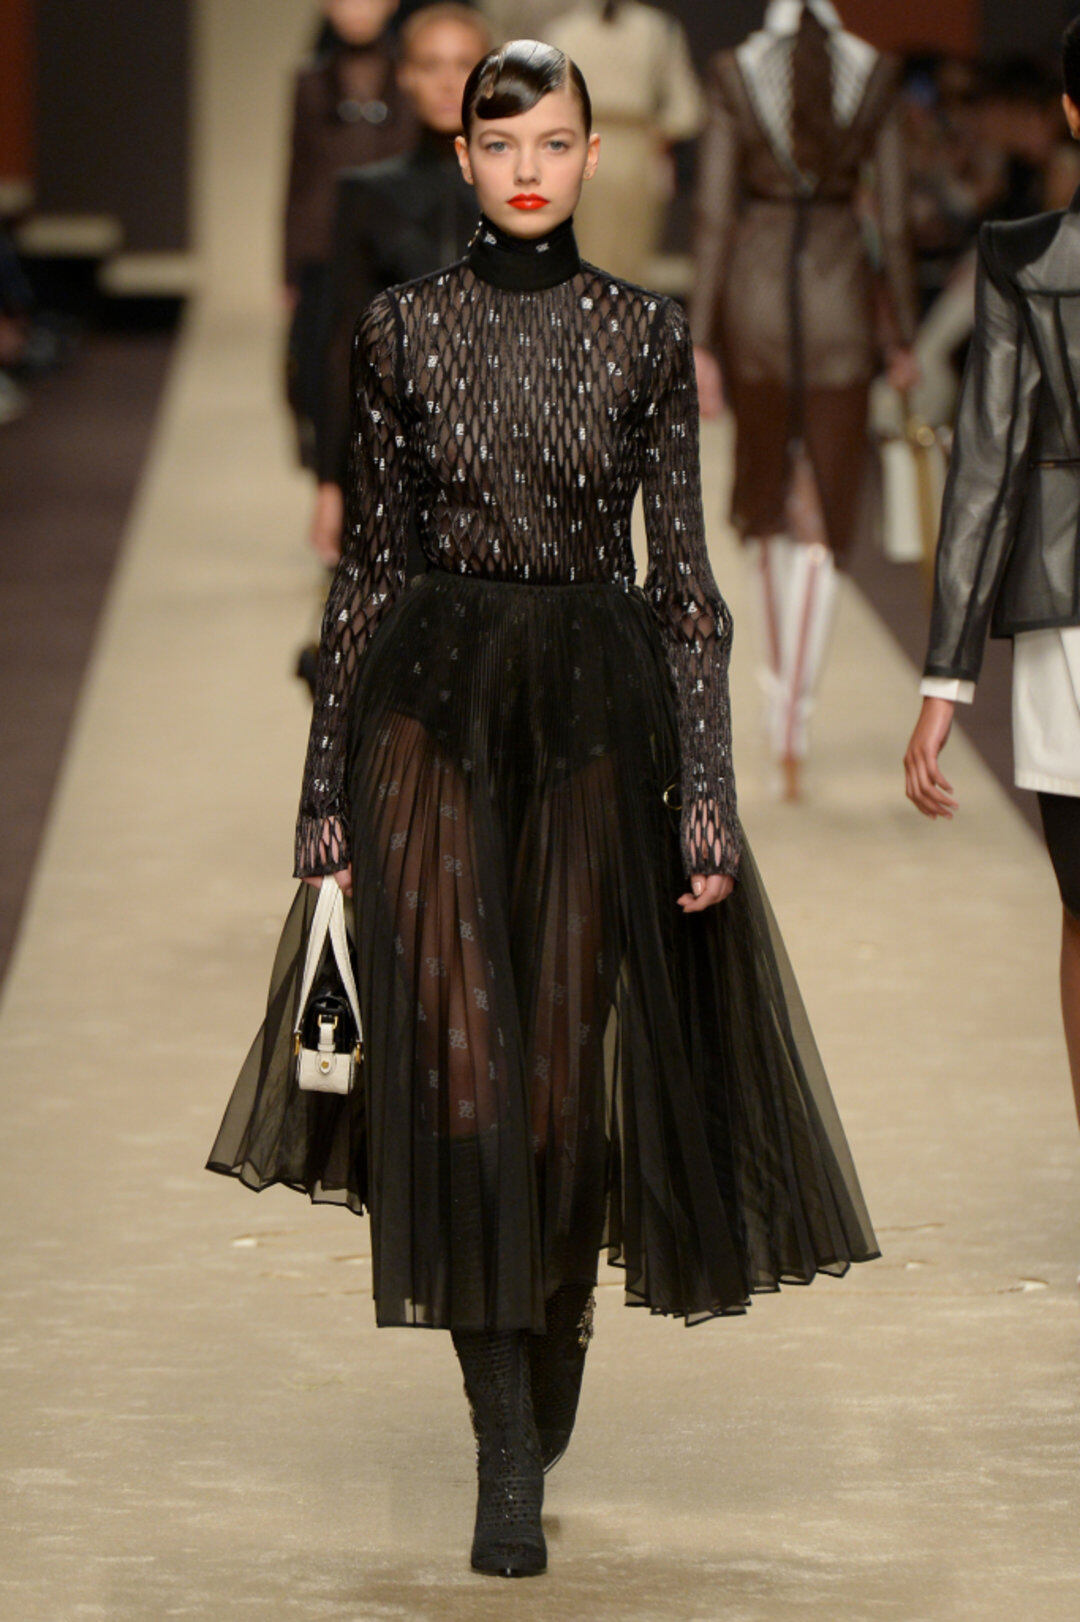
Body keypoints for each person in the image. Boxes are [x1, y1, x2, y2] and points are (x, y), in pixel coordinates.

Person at [208, 39, 879, 1578]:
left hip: (592, 716)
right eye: (501, 143)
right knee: (462, 1075)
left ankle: (553, 1327)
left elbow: (687, 588)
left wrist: (708, 792)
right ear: (463, 160)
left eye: (555, 142)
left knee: (566, 1091)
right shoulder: (399, 330)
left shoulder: (645, 333)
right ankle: (503, 1443)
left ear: (589, 155)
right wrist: (322, 799)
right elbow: (365, 576)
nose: (528, 169)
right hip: (428, 716)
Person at [905, 18, 1080, 1167]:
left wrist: (946, 677)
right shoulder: (1020, 256)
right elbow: (984, 464)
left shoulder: (1028, 259)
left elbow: (988, 468)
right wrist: (945, 674)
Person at [689, 0, 918, 800]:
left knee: (767, 505)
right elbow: (894, 219)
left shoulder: (736, 70)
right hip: (840, 299)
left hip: (753, 298)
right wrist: (905, 333)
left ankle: (774, 706)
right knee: (826, 509)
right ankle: (799, 718)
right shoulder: (874, 72)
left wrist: (701, 338)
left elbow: (713, 215)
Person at [309, 3, 492, 575]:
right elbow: (346, 342)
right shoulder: (367, 195)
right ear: (405, 74)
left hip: (504, 457)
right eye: (430, 64)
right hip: (397, 456)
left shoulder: (522, 192)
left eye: (463, 64)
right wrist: (329, 482)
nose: (447, 80)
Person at [283, 0, 416, 468]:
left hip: (394, 241)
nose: (357, 8)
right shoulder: (309, 82)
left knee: (395, 369)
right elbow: (297, 176)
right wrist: (289, 267)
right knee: (322, 367)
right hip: (322, 245)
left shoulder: (413, 76)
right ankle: (333, 475)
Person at [542, 0, 704, 284]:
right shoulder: (564, 30)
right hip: (579, 144)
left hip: (636, 147)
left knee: (632, 252)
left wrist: (660, 134)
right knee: (580, 247)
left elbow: (686, 105)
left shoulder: (657, 29)